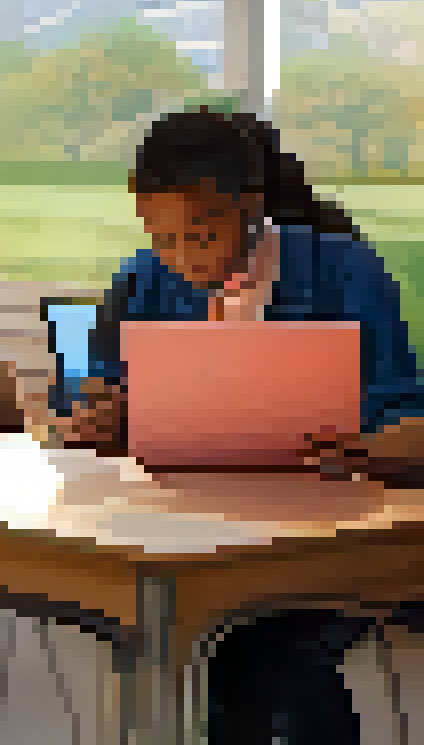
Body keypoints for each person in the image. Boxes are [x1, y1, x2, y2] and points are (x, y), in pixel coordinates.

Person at [53, 107, 423, 745]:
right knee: (192, 647)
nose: (181, 258)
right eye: (162, 238)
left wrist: (361, 448)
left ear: (250, 208)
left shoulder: (344, 271)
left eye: (201, 234)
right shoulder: (142, 281)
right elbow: (87, 388)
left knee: (261, 658)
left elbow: (412, 425)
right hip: (194, 535)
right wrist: (96, 412)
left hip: (327, 539)